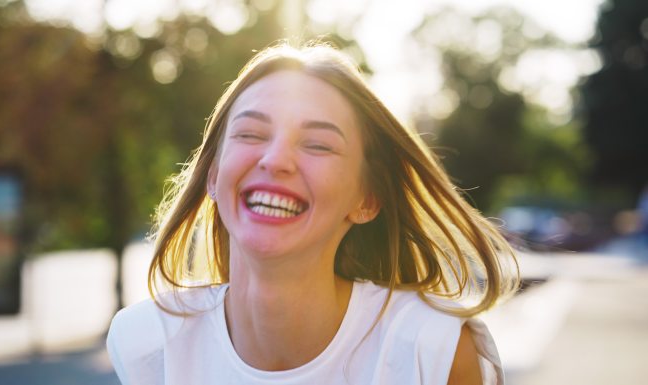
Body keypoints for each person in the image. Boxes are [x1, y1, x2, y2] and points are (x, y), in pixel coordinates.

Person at [107, 42, 519, 385]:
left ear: (367, 199)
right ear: (213, 176)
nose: (275, 159)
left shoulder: (432, 352)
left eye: (318, 145)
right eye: (251, 134)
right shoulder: (147, 345)